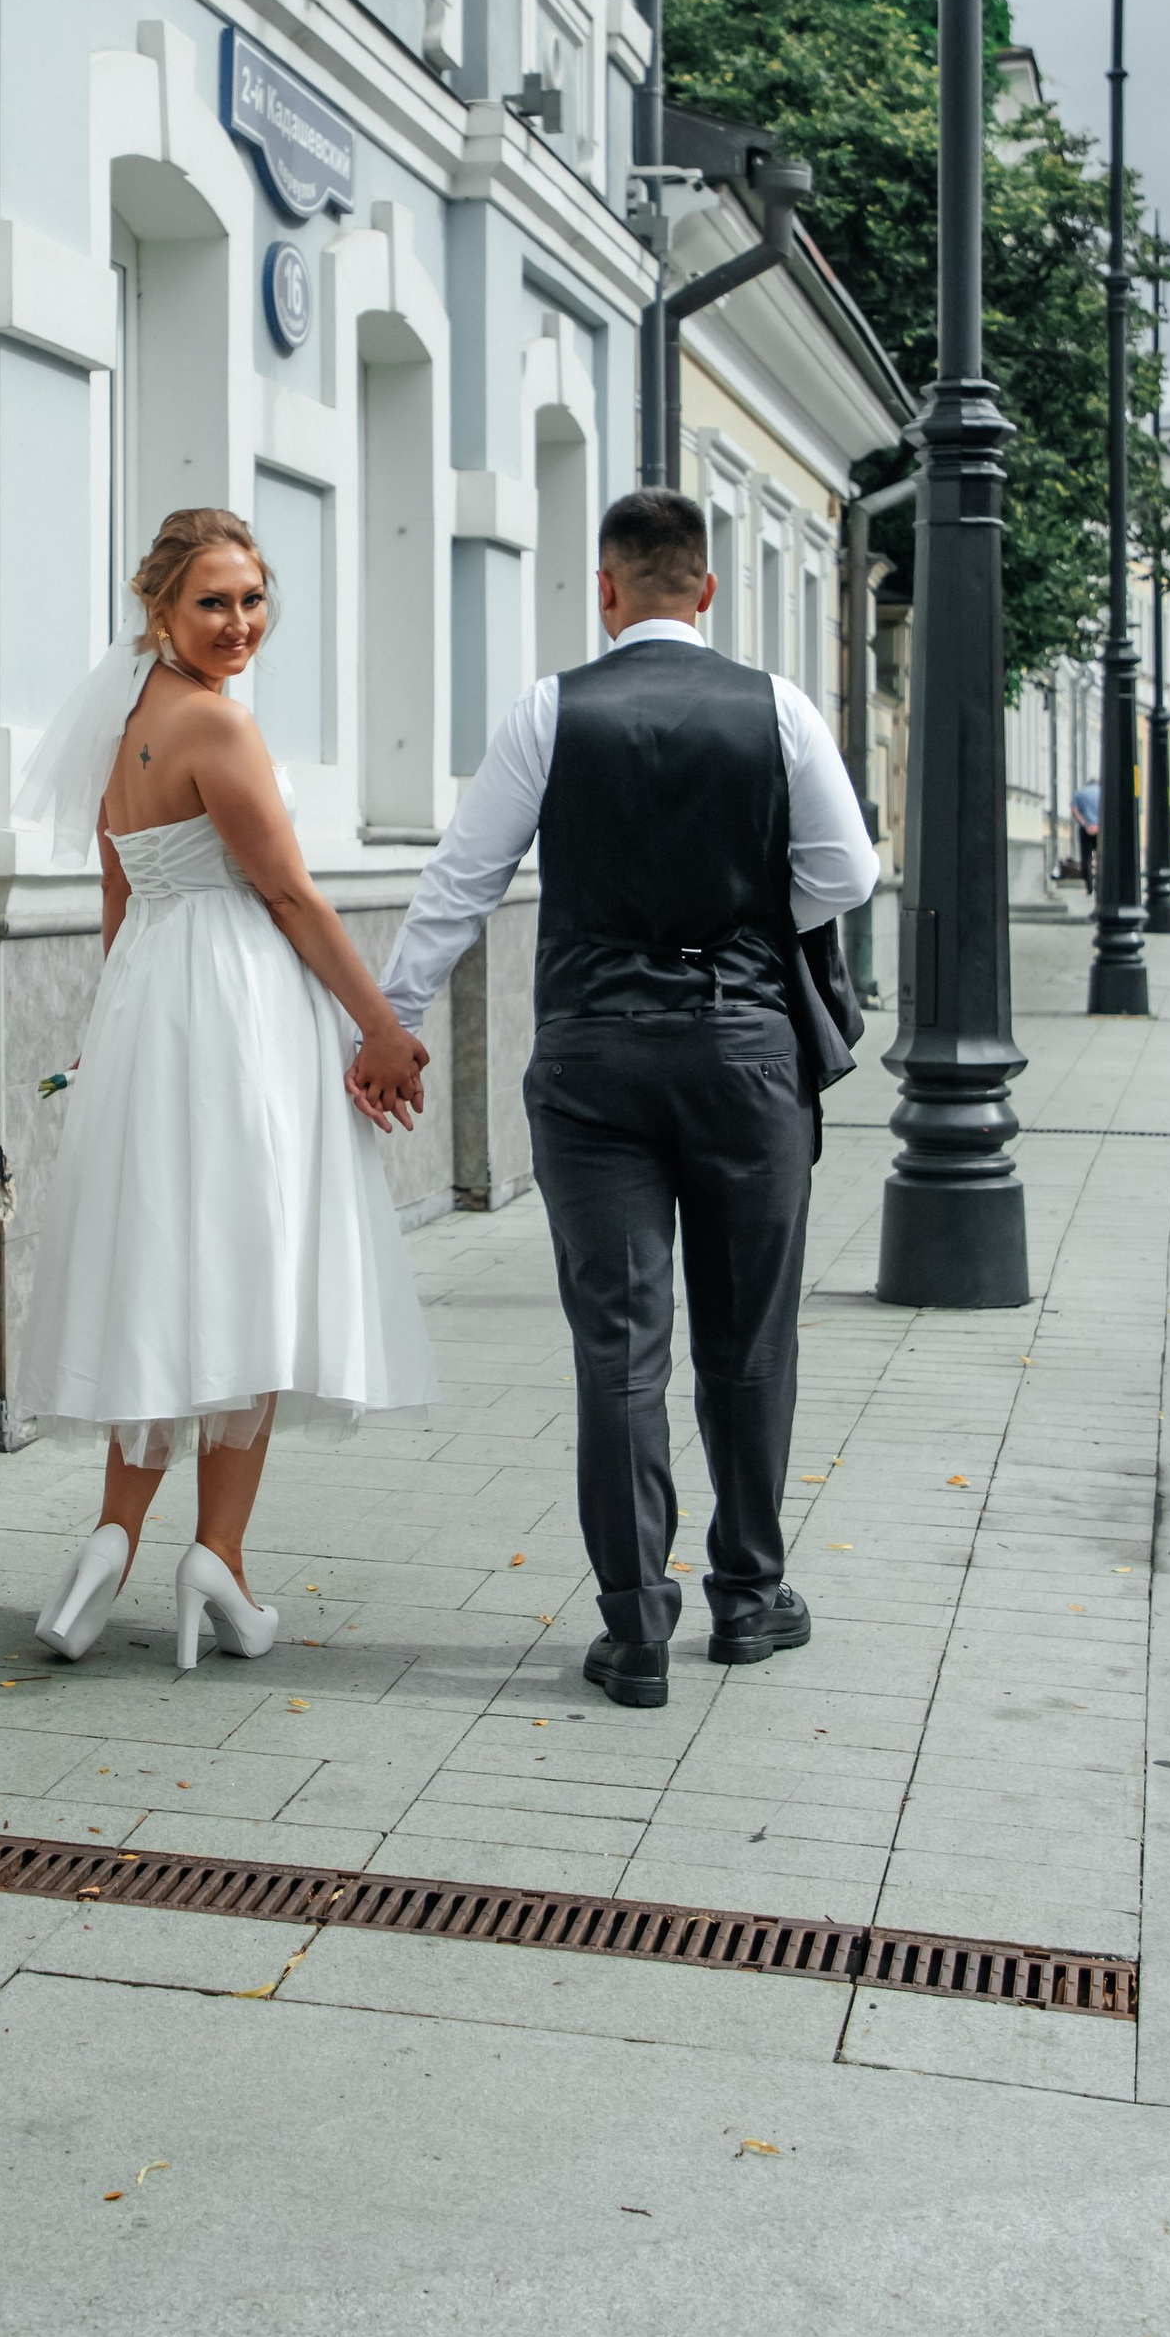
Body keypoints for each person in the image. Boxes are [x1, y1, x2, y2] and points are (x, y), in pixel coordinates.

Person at [369, 489, 877, 1707]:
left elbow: (462, 880)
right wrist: (747, 928)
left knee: (621, 1348)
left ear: (604, 592)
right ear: (706, 591)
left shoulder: (552, 710)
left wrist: (392, 1021)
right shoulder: (778, 708)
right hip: (745, 1056)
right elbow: (844, 872)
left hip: (595, 1065)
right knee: (748, 1343)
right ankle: (748, 1599)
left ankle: (634, 1627)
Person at [12, 508, 437, 1673]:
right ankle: (220, 1561)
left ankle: (112, 1536)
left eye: (253, 600)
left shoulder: (124, 720)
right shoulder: (216, 727)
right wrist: (383, 1028)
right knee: (247, 1271)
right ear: (160, 608)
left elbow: (117, 891)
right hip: (239, 1012)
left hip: (153, 1001)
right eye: (213, 602)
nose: (240, 622)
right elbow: (290, 900)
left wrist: (112, 1022)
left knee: (161, 1267)